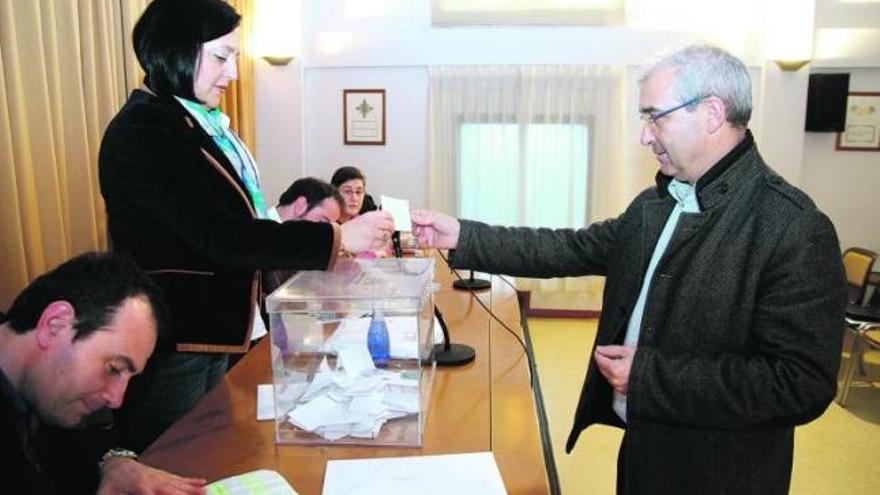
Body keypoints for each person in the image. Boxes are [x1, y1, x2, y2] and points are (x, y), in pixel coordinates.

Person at [412, 44, 846, 495]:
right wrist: (462, 235)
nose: (646, 136)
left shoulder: (794, 228)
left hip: (719, 472)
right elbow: (567, 248)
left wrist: (649, 376)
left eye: (656, 116)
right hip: (645, 449)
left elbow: (802, 383)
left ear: (712, 113)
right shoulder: (656, 205)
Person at [98, 0, 393, 453]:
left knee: (216, 452)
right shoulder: (144, 130)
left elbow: (243, 222)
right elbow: (219, 235)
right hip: (177, 336)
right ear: (173, 52)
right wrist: (335, 237)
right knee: (175, 459)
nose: (232, 73)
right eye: (221, 56)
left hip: (216, 330)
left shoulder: (191, 122)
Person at [0, 252, 207, 495]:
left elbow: (78, 441)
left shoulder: (47, 392)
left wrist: (115, 463)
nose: (116, 399)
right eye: (114, 368)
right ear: (55, 325)